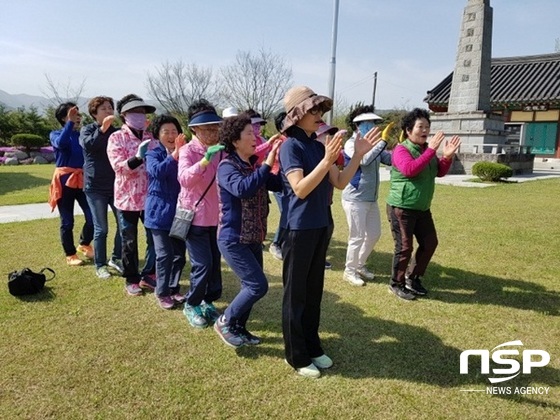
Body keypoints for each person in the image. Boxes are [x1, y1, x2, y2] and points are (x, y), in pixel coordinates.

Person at [279, 86, 380, 378]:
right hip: (298, 229)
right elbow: (299, 189)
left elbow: (339, 181)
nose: (319, 115)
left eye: (320, 109)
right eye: (313, 110)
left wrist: (357, 156)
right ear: (297, 114)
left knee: (313, 293)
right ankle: (295, 355)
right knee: (295, 295)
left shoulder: (315, 144)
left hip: (320, 225)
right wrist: (326, 160)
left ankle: (312, 346)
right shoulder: (291, 146)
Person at [214, 115, 282, 348]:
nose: (255, 137)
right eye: (249, 134)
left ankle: (239, 328)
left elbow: (278, 183)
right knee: (257, 285)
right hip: (233, 239)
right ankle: (225, 321)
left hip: (253, 237)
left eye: (254, 133)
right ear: (235, 141)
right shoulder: (226, 167)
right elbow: (242, 189)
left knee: (249, 286)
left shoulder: (252, 164)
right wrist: (265, 164)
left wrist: (283, 159)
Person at [386, 108, 461, 300]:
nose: (425, 130)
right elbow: (410, 169)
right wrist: (430, 151)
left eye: (427, 126)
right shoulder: (401, 149)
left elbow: (439, 172)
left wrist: (447, 157)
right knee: (404, 247)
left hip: (421, 207)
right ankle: (396, 283)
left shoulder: (425, 150)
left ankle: (413, 277)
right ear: (409, 130)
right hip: (402, 207)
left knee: (430, 243)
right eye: (420, 126)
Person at [178, 99, 225, 329]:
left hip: (217, 218)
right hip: (195, 218)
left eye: (215, 128)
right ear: (194, 129)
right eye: (207, 129)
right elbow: (185, 180)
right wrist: (204, 161)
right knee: (203, 264)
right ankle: (191, 303)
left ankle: (208, 301)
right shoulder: (188, 151)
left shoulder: (221, 151)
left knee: (215, 263)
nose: (212, 133)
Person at [107, 94, 158, 296]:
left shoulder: (150, 137)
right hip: (127, 198)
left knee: (154, 237)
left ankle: (149, 274)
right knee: (129, 239)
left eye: (142, 112)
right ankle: (131, 277)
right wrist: (137, 158)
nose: (139, 116)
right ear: (124, 115)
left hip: (150, 197)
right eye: (134, 112)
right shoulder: (116, 138)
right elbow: (118, 167)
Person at [341, 106, 392, 286]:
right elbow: (363, 159)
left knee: (374, 234)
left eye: (374, 123)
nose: (372, 126)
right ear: (358, 125)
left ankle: (360, 265)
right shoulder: (350, 143)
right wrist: (381, 143)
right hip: (355, 198)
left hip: (371, 198)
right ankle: (350, 270)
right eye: (368, 123)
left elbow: (388, 158)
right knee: (357, 236)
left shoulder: (375, 143)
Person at [145, 114, 187, 309]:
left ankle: (173, 288)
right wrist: (175, 154)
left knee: (179, 254)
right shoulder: (153, 154)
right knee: (164, 255)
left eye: (174, 131)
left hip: (180, 212)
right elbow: (158, 172)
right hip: (158, 212)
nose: (170, 135)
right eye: (165, 132)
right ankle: (161, 292)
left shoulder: (186, 153)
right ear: (157, 135)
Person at [79, 96, 123, 278]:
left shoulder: (117, 132)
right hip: (95, 187)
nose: (108, 111)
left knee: (124, 226)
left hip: (116, 185)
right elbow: (89, 146)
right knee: (101, 228)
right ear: (94, 113)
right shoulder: (87, 130)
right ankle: (100, 264)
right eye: (103, 108)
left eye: (110, 108)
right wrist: (103, 129)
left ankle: (116, 258)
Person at [48, 102, 94, 266]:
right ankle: (70, 254)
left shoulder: (82, 135)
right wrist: (69, 123)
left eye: (78, 114)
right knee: (67, 221)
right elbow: (61, 144)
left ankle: (84, 243)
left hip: (82, 179)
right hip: (64, 181)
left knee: (92, 216)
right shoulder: (55, 134)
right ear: (63, 118)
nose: (78, 117)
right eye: (73, 114)